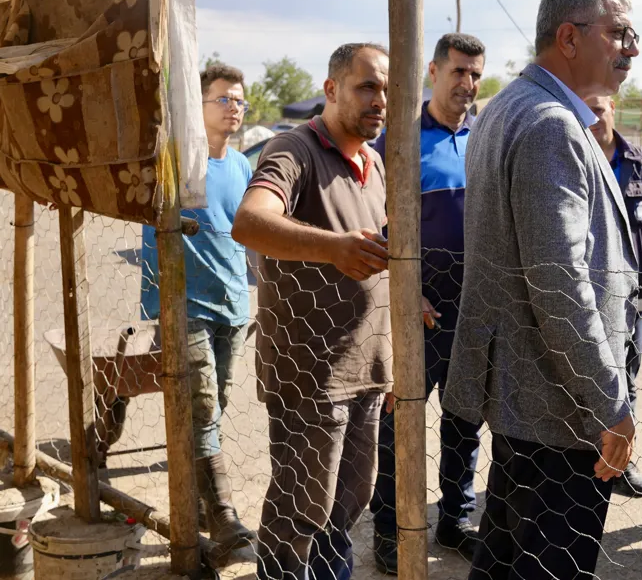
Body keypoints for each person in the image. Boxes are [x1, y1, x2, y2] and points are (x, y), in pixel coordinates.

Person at [442, 0, 640, 580]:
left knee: (506, 559)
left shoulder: (510, 107)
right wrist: (609, 403)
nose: (631, 47)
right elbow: (560, 285)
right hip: (557, 408)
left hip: (528, 399)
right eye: (618, 32)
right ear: (568, 37)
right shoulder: (551, 123)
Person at [232, 43, 392, 580]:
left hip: (365, 371)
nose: (380, 100)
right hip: (311, 374)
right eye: (367, 86)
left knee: (348, 505)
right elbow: (250, 222)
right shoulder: (293, 149)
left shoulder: (374, 162)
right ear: (331, 89)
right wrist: (334, 248)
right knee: (300, 512)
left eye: (387, 90)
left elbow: (379, 259)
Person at [368, 33, 487, 570]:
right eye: (459, 71)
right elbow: (373, 220)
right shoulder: (400, 139)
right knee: (401, 420)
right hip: (418, 300)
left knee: (465, 416)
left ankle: (456, 518)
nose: (468, 83)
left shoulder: (486, 136)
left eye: (476, 74)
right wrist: (404, 288)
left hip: (477, 302)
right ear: (434, 72)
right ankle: (390, 528)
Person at [140, 63, 254, 552]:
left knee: (212, 407)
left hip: (232, 303)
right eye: (224, 99)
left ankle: (195, 508)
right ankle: (224, 516)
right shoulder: (172, 161)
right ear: (198, 105)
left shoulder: (244, 166)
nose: (234, 108)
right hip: (182, 302)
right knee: (203, 406)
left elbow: (246, 236)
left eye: (239, 101)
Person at [584, 94, 642, 499]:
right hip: (584, 292)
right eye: (587, 108)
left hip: (632, 294)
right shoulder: (573, 152)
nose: (595, 116)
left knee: (628, 375)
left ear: (614, 108)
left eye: (600, 108)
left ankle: (622, 461)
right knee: (583, 368)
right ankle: (585, 458)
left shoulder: (641, 161)